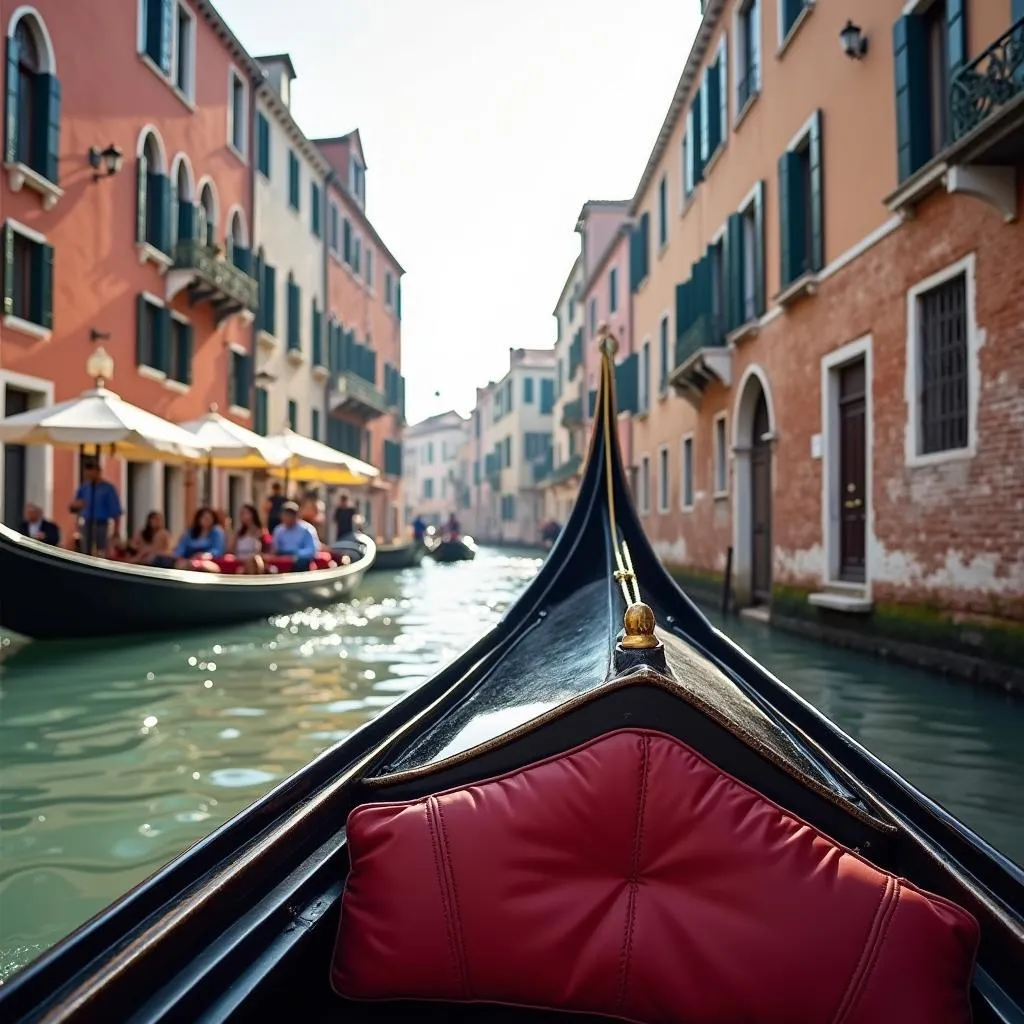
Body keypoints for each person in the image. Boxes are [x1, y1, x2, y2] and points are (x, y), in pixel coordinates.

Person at [69, 459, 122, 554]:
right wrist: (77, 505)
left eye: (90, 471)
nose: (87, 474)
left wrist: (116, 531)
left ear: (98, 471)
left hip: (101, 524)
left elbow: (116, 511)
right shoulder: (84, 487)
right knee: (86, 551)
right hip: (86, 523)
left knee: (100, 551)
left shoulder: (108, 488)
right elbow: (74, 506)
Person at [173, 506, 226, 571]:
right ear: (198, 519)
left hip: (207, 561)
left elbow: (217, 551)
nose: (206, 520)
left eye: (209, 518)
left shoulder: (217, 531)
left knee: (207, 567)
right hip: (188, 561)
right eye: (204, 517)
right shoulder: (190, 532)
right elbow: (181, 548)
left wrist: (203, 556)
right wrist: (180, 557)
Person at [272, 501, 320, 571]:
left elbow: (311, 550)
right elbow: (275, 549)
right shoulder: (278, 530)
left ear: (296, 515)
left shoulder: (306, 529)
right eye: (285, 514)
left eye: (290, 514)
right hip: (282, 557)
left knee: (301, 563)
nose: (287, 517)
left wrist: (295, 555)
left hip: (299, 559)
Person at [230, 503, 268, 574]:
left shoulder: (261, 531)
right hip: (240, 561)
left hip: (254, 562)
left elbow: (264, 549)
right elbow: (231, 549)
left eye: (246, 513)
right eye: (242, 514)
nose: (243, 516)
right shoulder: (239, 532)